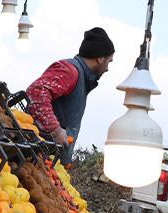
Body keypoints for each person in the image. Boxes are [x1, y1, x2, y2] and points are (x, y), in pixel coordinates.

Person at [26, 27, 115, 164]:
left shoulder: (82, 78)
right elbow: (36, 92)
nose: (108, 69)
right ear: (100, 58)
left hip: (48, 163)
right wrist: (54, 130)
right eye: (109, 62)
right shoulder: (69, 71)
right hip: (34, 159)